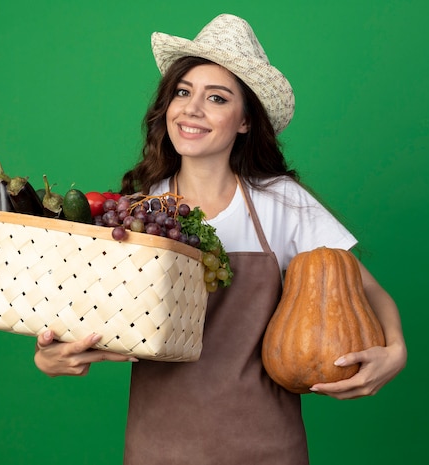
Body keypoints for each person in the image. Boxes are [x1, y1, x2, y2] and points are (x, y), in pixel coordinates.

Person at [34, 14, 407, 464]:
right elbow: (87, 323)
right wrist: (52, 358)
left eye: (216, 98)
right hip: (159, 448)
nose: (192, 109)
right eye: (183, 92)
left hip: (269, 446)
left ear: (246, 121)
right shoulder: (139, 211)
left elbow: (368, 291)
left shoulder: (282, 203)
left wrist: (396, 350)